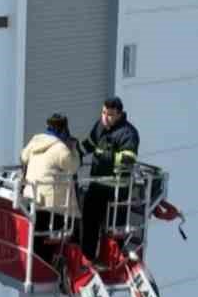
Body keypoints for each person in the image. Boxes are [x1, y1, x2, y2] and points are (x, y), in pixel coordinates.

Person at [79, 96, 141, 259]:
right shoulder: (100, 126)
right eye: (103, 112)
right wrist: (75, 152)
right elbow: (90, 144)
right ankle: (88, 257)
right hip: (97, 185)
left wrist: (106, 156)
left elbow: (128, 159)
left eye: (110, 114)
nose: (105, 117)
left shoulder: (129, 133)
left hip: (117, 190)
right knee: (90, 222)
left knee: (115, 228)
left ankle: (113, 259)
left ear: (119, 114)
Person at [20, 113, 81, 237]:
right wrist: (73, 149)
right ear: (64, 129)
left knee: (37, 238)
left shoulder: (35, 141)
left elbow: (23, 157)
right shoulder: (61, 148)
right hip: (52, 206)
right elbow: (74, 167)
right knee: (72, 224)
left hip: (31, 199)